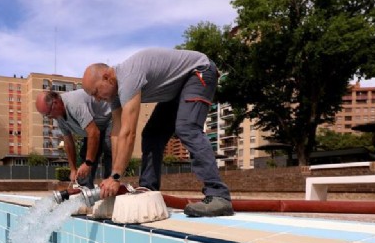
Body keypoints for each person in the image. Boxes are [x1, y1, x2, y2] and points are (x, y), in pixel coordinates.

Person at [81, 47, 234, 217]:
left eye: (95, 92)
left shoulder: (128, 77)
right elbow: (116, 134)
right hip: (177, 89)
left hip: (198, 72)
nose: (96, 99)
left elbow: (128, 132)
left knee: (187, 128)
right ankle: (148, 189)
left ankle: (218, 195)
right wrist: (113, 177)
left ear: (107, 77)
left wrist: (116, 177)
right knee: (152, 134)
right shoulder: (114, 95)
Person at [35, 89, 112, 188]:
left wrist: (88, 163)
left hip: (110, 118)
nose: (49, 118)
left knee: (109, 148)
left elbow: (94, 132)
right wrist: (73, 169)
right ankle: (85, 189)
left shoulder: (74, 104)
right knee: (86, 155)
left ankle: (110, 185)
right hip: (94, 127)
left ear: (55, 103)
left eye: (48, 114)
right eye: (45, 116)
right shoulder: (59, 118)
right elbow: (68, 142)